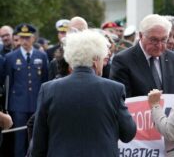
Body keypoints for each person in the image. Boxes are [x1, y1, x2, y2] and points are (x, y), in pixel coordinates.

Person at [31, 30, 136, 157]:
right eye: (103, 58)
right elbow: (128, 133)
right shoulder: (114, 89)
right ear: (95, 59)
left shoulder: (48, 89)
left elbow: (38, 143)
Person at [110, 14, 174, 97]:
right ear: (141, 35)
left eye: (164, 39)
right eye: (154, 40)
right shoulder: (123, 60)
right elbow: (121, 100)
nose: (159, 45)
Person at [4, 24, 48, 157]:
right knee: (19, 139)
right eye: (22, 38)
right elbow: (8, 83)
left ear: (33, 38)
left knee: (36, 139)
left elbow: (45, 81)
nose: (24, 41)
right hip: (18, 104)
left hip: (36, 103)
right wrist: (7, 106)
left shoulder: (42, 56)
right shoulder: (11, 57)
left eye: (27, 38)